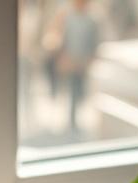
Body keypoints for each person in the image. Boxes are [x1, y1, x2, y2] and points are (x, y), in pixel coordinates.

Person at [45, 0, 99, 133]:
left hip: (81, 62)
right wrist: (62, 57)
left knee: (79, 90)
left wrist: (88, 59)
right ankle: (64, 120)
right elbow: (60, 38)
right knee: (65, 90)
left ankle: (73, 120)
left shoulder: (91, 21)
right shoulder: (67, 18)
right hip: (68, 60)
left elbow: (93, 42)